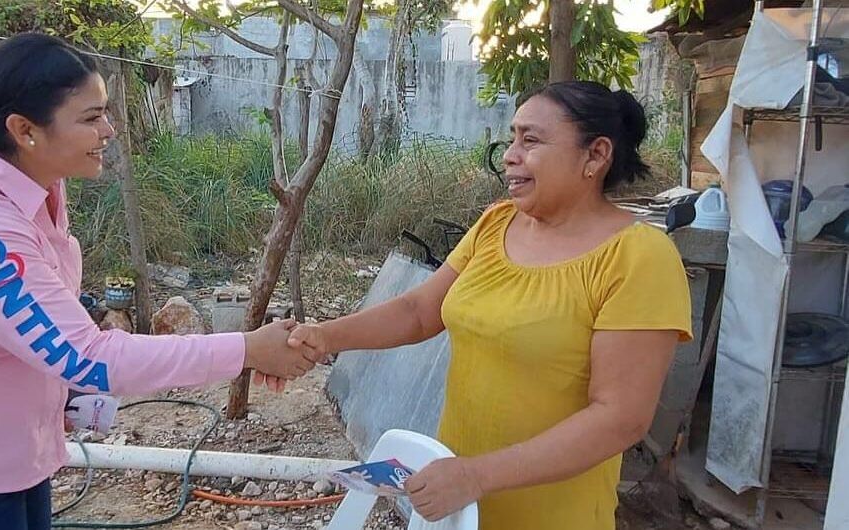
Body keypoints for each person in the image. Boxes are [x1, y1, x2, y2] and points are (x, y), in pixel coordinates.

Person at [0, 33, 310, 530]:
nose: (108, 129)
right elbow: (87, 357)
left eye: (105, 113)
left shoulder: (37, 186)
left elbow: (30, 332)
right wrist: (246, 349)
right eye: (91, 118)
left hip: (6, 460)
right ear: (25, 129)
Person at [280, 81, 693, 529]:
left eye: (531, 140)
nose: (510, 155)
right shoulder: (496, 223)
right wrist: (325, 337)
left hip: (549, 515)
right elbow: (419, 311)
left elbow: (620, 418)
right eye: (511, 138)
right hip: (455, 504)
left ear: (595, 155)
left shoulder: (639, 258)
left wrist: (477, 475)